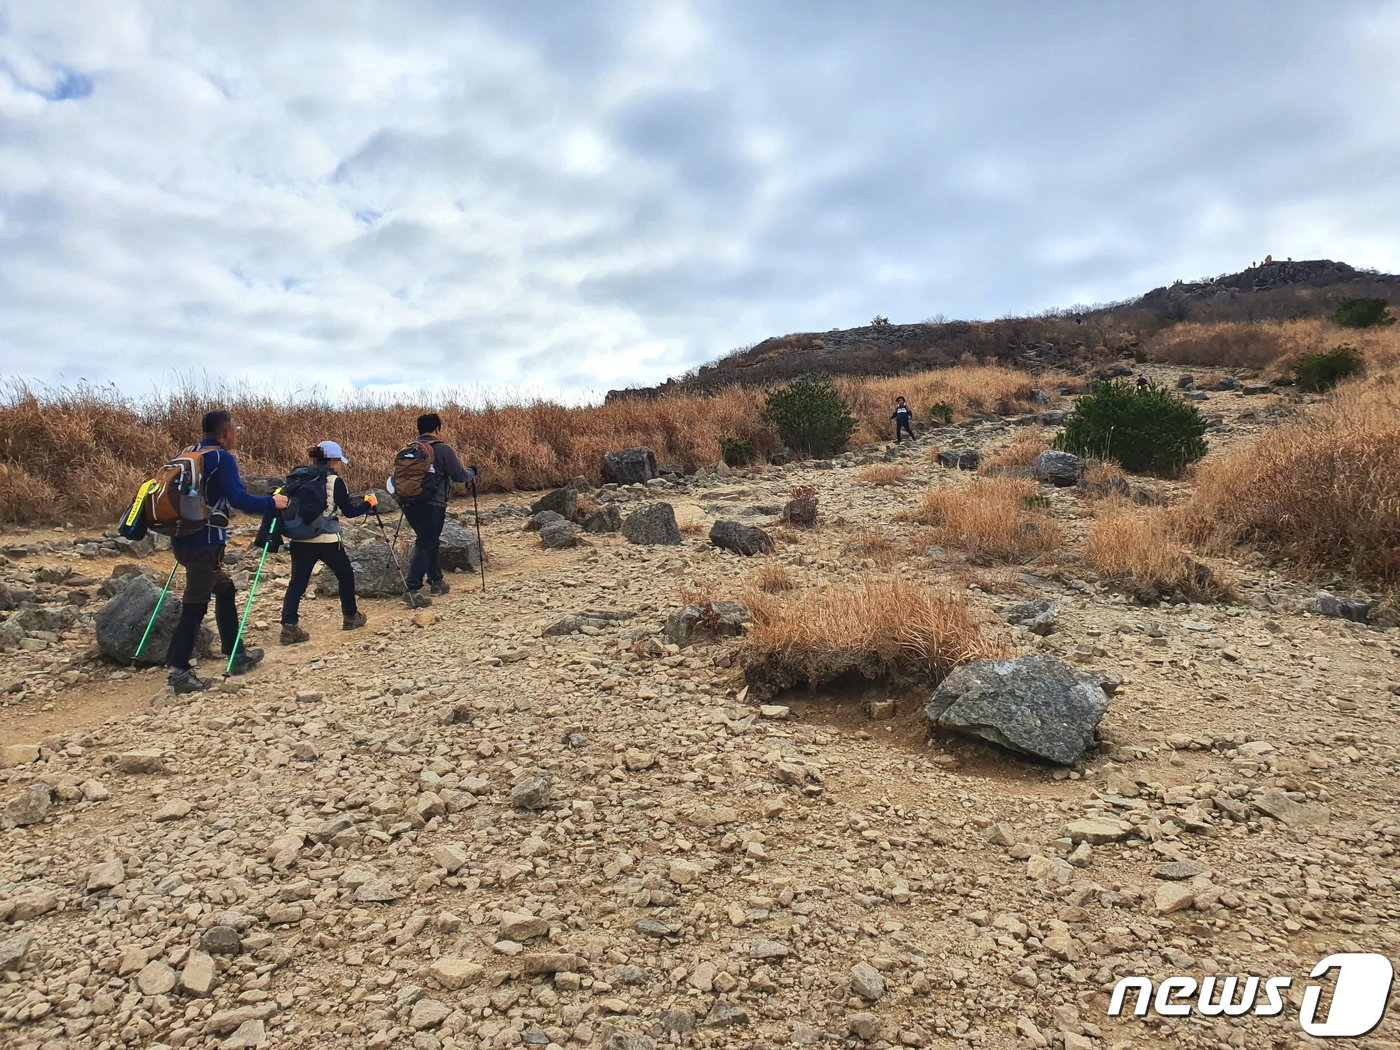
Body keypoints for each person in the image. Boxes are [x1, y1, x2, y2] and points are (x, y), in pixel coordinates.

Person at [166, 410, 289, 695]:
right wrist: (273, 503)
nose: (236, 434)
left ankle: (236, 652)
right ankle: (179, 670)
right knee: (195, 603)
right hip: (204, 540)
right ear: (224, 433)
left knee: (224, 587)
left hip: (181, 536)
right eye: (235, 429)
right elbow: (238, 499)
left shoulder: (188, 453)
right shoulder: (221, 458)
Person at [277, 441, 378, 645]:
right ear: (332, 460)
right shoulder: (334, 481)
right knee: (345, 575)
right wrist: (368, 503)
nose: (341, 464)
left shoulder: (298, 477)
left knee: (297, 582)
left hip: (299, 538)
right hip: (327, 539)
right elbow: (349, 512)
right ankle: (350, 616)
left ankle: (289, 627)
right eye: (339, 460)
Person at [398, 412, 476, 608]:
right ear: (438, 429)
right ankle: (412, 588)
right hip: (433, 504)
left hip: (408, 503)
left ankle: (436, 581)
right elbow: (459, 476)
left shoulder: (407, 450)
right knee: (426, 543)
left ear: (419, 429)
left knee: (427, 540)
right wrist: (472, 472)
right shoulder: (443, 449)